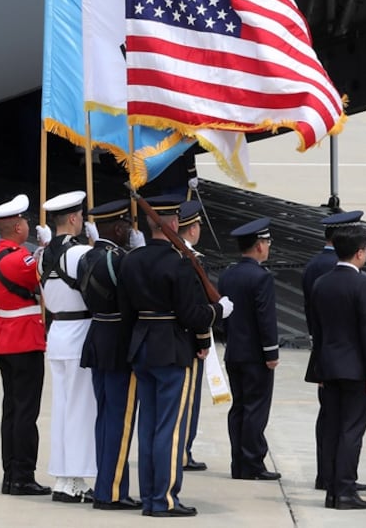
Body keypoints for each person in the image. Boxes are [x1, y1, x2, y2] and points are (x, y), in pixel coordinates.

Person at [117, 196, 232, 517]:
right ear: (174, 224)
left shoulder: (132, 260)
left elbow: (127, 312)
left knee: (150, 426)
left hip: (142, 347)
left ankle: (150, 493)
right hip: (172, 349)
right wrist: (218, 311)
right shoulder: (179, 263)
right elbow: (192, 314)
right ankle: (163, 499)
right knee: (170, 428)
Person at [0, 194, 50, 496]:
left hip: (2, 335)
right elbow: (43, 280)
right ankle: (22, 475)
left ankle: (11, 472)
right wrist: (46, 250)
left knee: (11, 408)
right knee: (25, 411)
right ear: (17, 227)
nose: (28, 225)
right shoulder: (21, 260)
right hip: (24, 337)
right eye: (24, 221)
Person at [77, 199, 143, 511]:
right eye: (128, 227)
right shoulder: (122, 260)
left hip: (97, 338)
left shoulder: (86, 257)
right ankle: (112, 491)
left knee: (105, 416)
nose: (131, 232)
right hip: (119, 341)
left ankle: (105, 485)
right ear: (118, 228)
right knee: (120, 417)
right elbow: (135, 302)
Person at [309, 225, 366, 510]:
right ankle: (346, 491)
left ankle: (332, 491)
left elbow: (318, 329)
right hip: (355, 369)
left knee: (333, 429)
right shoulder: (363, 284)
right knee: (352, 432)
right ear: (360, 253)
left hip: (328, 367)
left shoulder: (321, 282)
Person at [39, 190, 97, 503]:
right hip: (79, 332)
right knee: (79, 410)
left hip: (57, 331)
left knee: (63, 408)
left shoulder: (41, 255)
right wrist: (97, 246)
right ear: (74, 219)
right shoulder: (79, 254)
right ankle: (72, 478)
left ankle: (65, 477)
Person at [217, 217, 281, 481]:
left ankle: (239, 462)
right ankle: (253, 463)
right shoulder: (261, 278)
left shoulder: (228, 274)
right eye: (266, 242)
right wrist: (271, 352)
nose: (268, 247)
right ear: (258, 246)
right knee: (256, 409)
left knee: (240, 407)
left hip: (234, 352)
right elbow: (265, 318)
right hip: (256, 355)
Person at [176, 201, 208, 472]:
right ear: (193, 229)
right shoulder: (192, 260)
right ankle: (183, 451)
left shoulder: (177, 255)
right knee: (188, 400)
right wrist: (203, 340)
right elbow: (198, 304)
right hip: (187, 341)